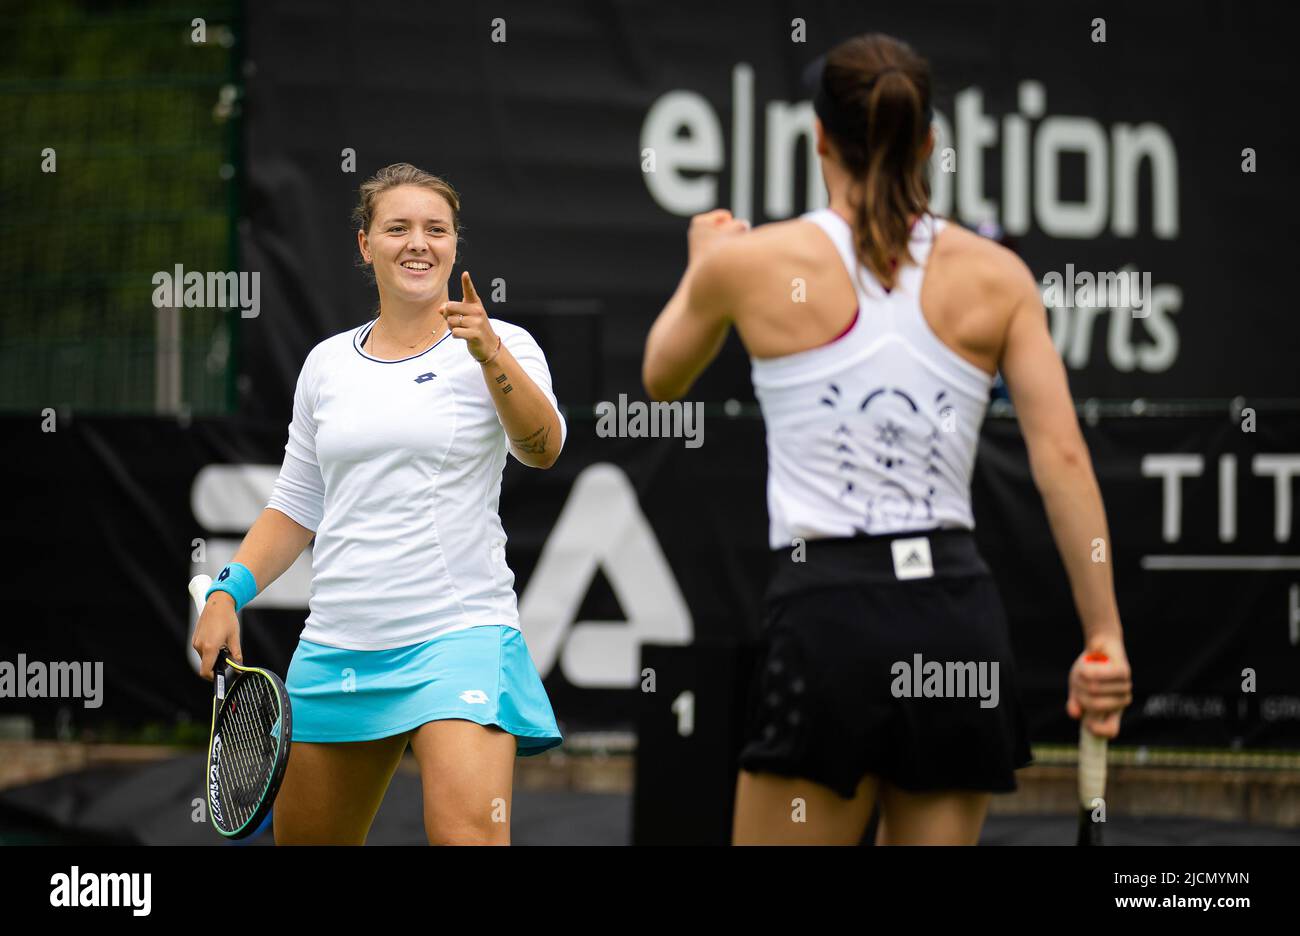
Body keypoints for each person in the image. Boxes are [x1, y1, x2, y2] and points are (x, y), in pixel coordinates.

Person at [642, 34, 1132, 845]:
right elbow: (1064, 459)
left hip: (828, 621)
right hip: (956, 620)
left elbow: (661, 379)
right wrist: (1105, 634)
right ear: (929, 143)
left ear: (819, 138)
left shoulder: (752, 264)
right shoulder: (999, 275)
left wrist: (703, 264)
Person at [193, 162, 566, 845]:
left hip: (459, 637)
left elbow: (542, 448)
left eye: (436, 229)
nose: (418, 243)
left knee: (469, 840)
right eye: (397, 228)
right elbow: (295, 504)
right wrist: (227, 593)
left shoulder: (504, 345)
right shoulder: (326, 365)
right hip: (339, 645)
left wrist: (488, 355)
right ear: (366, 245)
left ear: (455, 245)